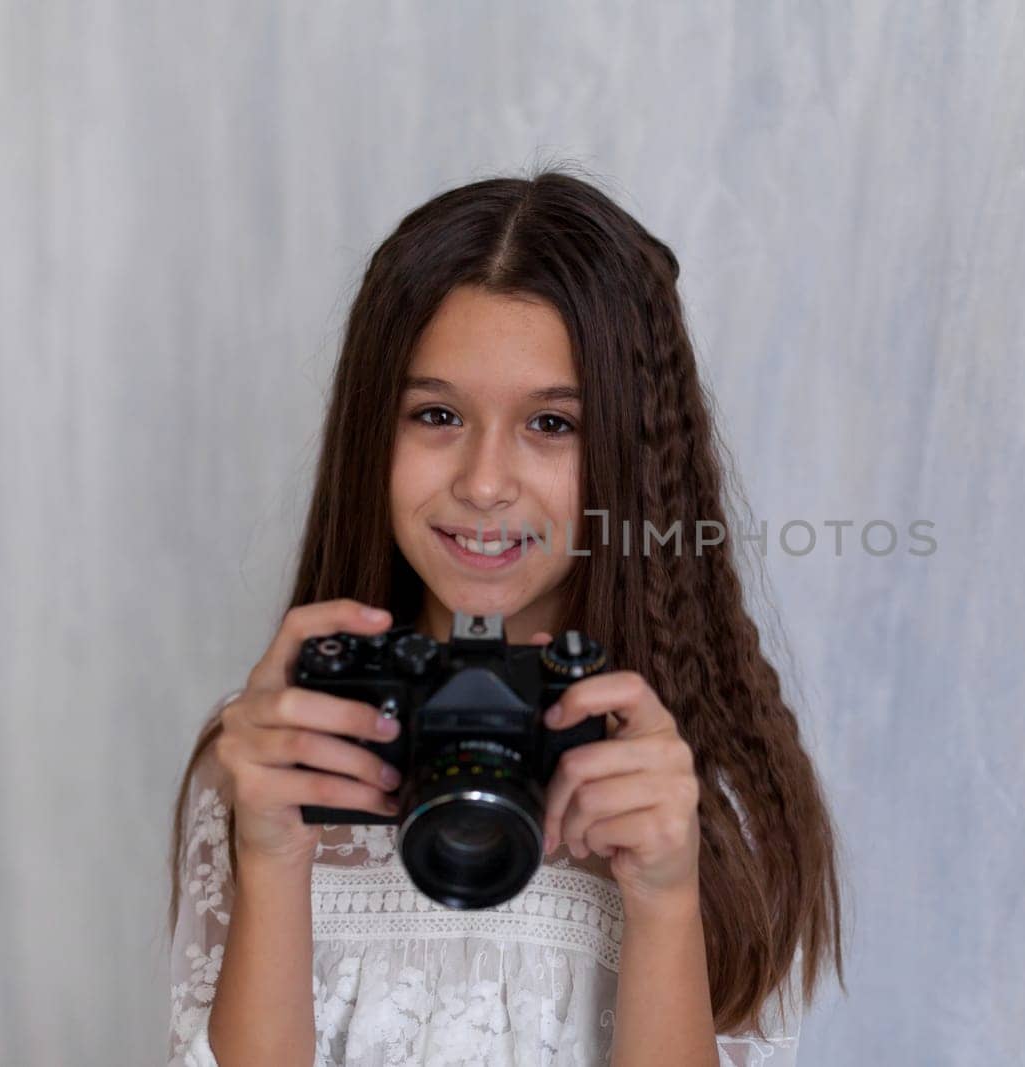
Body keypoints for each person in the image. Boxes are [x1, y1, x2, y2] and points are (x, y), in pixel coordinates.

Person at [165, 167, 846, 1066]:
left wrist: (666, 899)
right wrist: (274, 857)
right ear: (374, 433)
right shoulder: (269, 761)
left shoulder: (708, 790)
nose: (484, 483)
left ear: (630, 460)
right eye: (437, 413)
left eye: (552, 424)